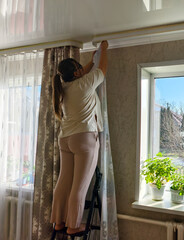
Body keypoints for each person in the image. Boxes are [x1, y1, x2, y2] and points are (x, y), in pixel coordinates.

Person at [50, 40, 108, 235]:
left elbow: (86, 71)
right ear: (76, 73)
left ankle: (59, 222)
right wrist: (105, 50)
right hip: (84, 139)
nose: (82, 69)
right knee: (79, 185)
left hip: (65, 139)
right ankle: (73, 226)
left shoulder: (63, 88)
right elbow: (103, 69)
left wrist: (91, 62)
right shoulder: (84, 84)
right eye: (79, 68)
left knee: (63, 181)